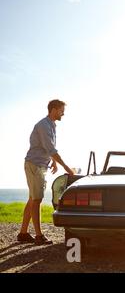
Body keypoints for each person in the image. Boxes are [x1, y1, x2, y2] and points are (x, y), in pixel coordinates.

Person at [18, 99, 74, 245]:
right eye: (62, 110)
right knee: (37, 200)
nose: (64, 113)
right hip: (35, 165)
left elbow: (48, 148)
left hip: (40, 165)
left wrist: (53, 161)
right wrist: (67, 168)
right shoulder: (43, 125)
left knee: (32, 199)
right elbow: (51, 149)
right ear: (54, 109)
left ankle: (23, 233)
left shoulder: (51, 125)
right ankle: (38, 236)